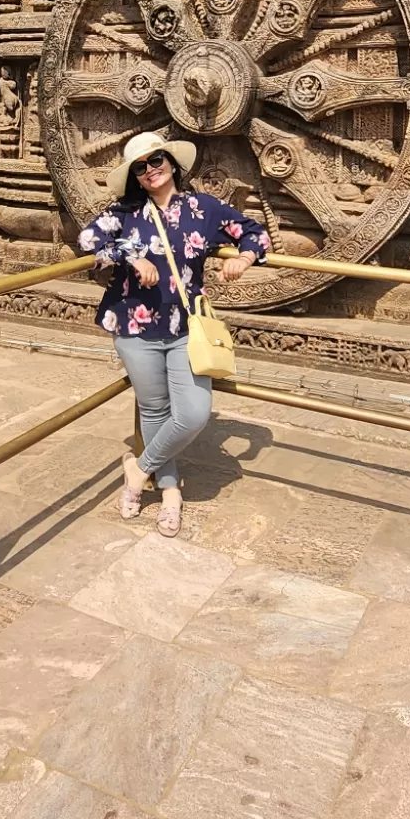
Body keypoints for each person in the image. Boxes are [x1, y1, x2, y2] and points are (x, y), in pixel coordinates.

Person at [79, 131, 269, 537]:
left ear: (172, 162)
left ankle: (137, 470)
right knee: (154, 411)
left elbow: (255, 232)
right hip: (134, 326)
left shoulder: (203, 209)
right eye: (141, 167)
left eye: (157, 160)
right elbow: (87, 242)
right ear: (134, 176)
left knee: (194, 413)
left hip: (184, 327)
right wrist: (130, 255)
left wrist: (246, 258)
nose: (151, 170)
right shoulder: (125, 211)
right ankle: (169, 494)